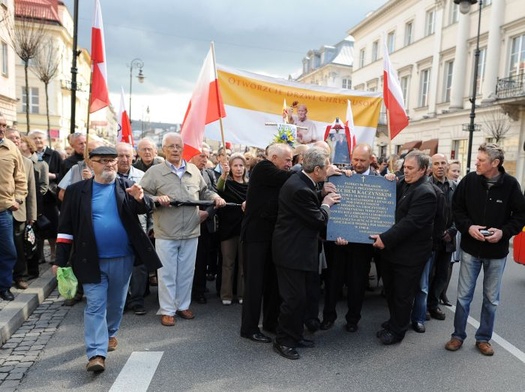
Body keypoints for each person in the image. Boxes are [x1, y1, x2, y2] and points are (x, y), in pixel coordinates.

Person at [53, 146, 161, 372]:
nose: (110, 164)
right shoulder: (76, 191)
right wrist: (60, 261)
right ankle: (96, 353)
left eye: (113, 161)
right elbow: (65, 229)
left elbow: (146, 207)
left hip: (122, 258)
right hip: (89, 259)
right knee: (94, 305)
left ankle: (110, 332)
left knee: (116, 305)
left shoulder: (126, 186)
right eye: (103, 161)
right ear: (91, 164)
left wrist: (140, 199)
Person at [445, 143, 525, 356]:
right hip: (471, 250)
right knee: (463, 296)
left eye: (480, 161)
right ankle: (457, 335)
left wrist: (503, 232)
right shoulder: (469, 181)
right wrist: (468, 227)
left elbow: (520, 216)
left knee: (491, 299)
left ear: (495, 163)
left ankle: (483, 338)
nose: (476, 163)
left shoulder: (510, 185)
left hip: (497, 253)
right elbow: (457, 209)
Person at [140, 133, 226, 327]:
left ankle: (183, 305)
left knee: (187, 272)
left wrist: (215, 197)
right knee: (167, 273)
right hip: (166, 231)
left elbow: (206, 191)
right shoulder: (155, 172)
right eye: (171, 146)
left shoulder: (194, 170)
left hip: (191, 229)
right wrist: (156, 199)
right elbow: (142, 194)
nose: (175, 149)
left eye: (178, 146)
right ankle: (168, 310)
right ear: (164, 150)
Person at [272, 147, 340, 360]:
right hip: (292, 252)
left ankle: (295, 334)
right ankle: (283, 341)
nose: (329, 170)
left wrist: (320, 194)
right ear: (318, 170)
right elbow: (318, 219)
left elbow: (307, 202)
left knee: (300, 298)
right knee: (293, 299)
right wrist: (327, 203)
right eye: (327, 166)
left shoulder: (303, 182)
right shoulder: (299, 187)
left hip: (296, 251)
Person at [321, 144, 395, 332]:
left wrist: (391, 180)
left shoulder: (382, 181)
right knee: (333, 282)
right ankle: (328, 317)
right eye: (355, 159)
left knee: (357, 283)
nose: (358, 163)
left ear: (371, 159)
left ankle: (353, 319)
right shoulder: (341, 177)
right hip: (339, 242)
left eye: (362, 160)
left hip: (363, 246)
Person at [371, 151, 437, 345]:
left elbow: (410, 223)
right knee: (391, 290)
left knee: (402, 293)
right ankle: (394, 322)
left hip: (409, 254)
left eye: (410, 168)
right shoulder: (404, 183)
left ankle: (398, 331)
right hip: (393, 251)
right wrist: (388, 178)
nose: (405, 172)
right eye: (404, 168)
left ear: (423, 170)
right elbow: (386, 193)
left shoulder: (426, 192)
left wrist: (385, 238)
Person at [240, 143, 294, 343]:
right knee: (255, 284)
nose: (290, 164)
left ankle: (271, 322)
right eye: (287, 160)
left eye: (291, 160)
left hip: (272, 237)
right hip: (255, 237)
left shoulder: (277, 173)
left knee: (273, 283)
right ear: (273, 158)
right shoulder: (263, 168)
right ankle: (249, 328)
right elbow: (288, 178)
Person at [115, 142, 149, 316]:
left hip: (138, 227)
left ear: (134, 157)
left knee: (139, 266)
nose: (124, 159)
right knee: (118, 265)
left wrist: (150, 228)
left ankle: (137, 300)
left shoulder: (142, 175)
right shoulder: (107, 177)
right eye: (120, 155)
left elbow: (147, 203)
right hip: (117, 229)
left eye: (128, 155)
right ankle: (120, 300)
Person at [0, 114, 28, 301]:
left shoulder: (11, 148)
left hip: (3, 209)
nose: (2, 128)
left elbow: (21, 178)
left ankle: (4, 286)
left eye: (4, 125)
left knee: (8, 251)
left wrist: (17, 199)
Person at [6, 129, 37, 290]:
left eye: (17, 138)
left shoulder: (27, 163)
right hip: (3, 208)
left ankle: (20, 276)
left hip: (20, 212)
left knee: (19, 247)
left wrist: (32, 214)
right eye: (11, 138)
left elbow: (31, 191)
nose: (15, 140)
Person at [217, 153, 248, 305]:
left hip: (244, 228)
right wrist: (224, 174)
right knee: (227, 263)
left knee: (244, 263)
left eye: (241, 165)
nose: (238, 168)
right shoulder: (226, 183)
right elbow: (219, 188)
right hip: (228, 228)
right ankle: (226, 295)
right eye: (235, 165)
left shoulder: (250, 185)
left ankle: (242, 293)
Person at [190, 145, 219, 304]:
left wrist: (207, 213)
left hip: (204, 223)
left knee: (201, 260)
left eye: (207, 156)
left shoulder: (209, 174)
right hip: (186, 222)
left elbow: (214, 195)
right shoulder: (184, 172)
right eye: (201, 156)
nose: (204, 159)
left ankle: (199, 290)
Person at [28, 129, 62, 264]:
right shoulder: (29, 155)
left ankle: (53, 253)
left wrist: (52, 176)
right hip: (35, 196)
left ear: (45, 140)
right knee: (37, 226)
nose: (37, 141)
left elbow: (63, 174)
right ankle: (39, 254)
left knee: (53, 226)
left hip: (50, 196)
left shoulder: (54, 155)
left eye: (40, 138)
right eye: (34, 138)